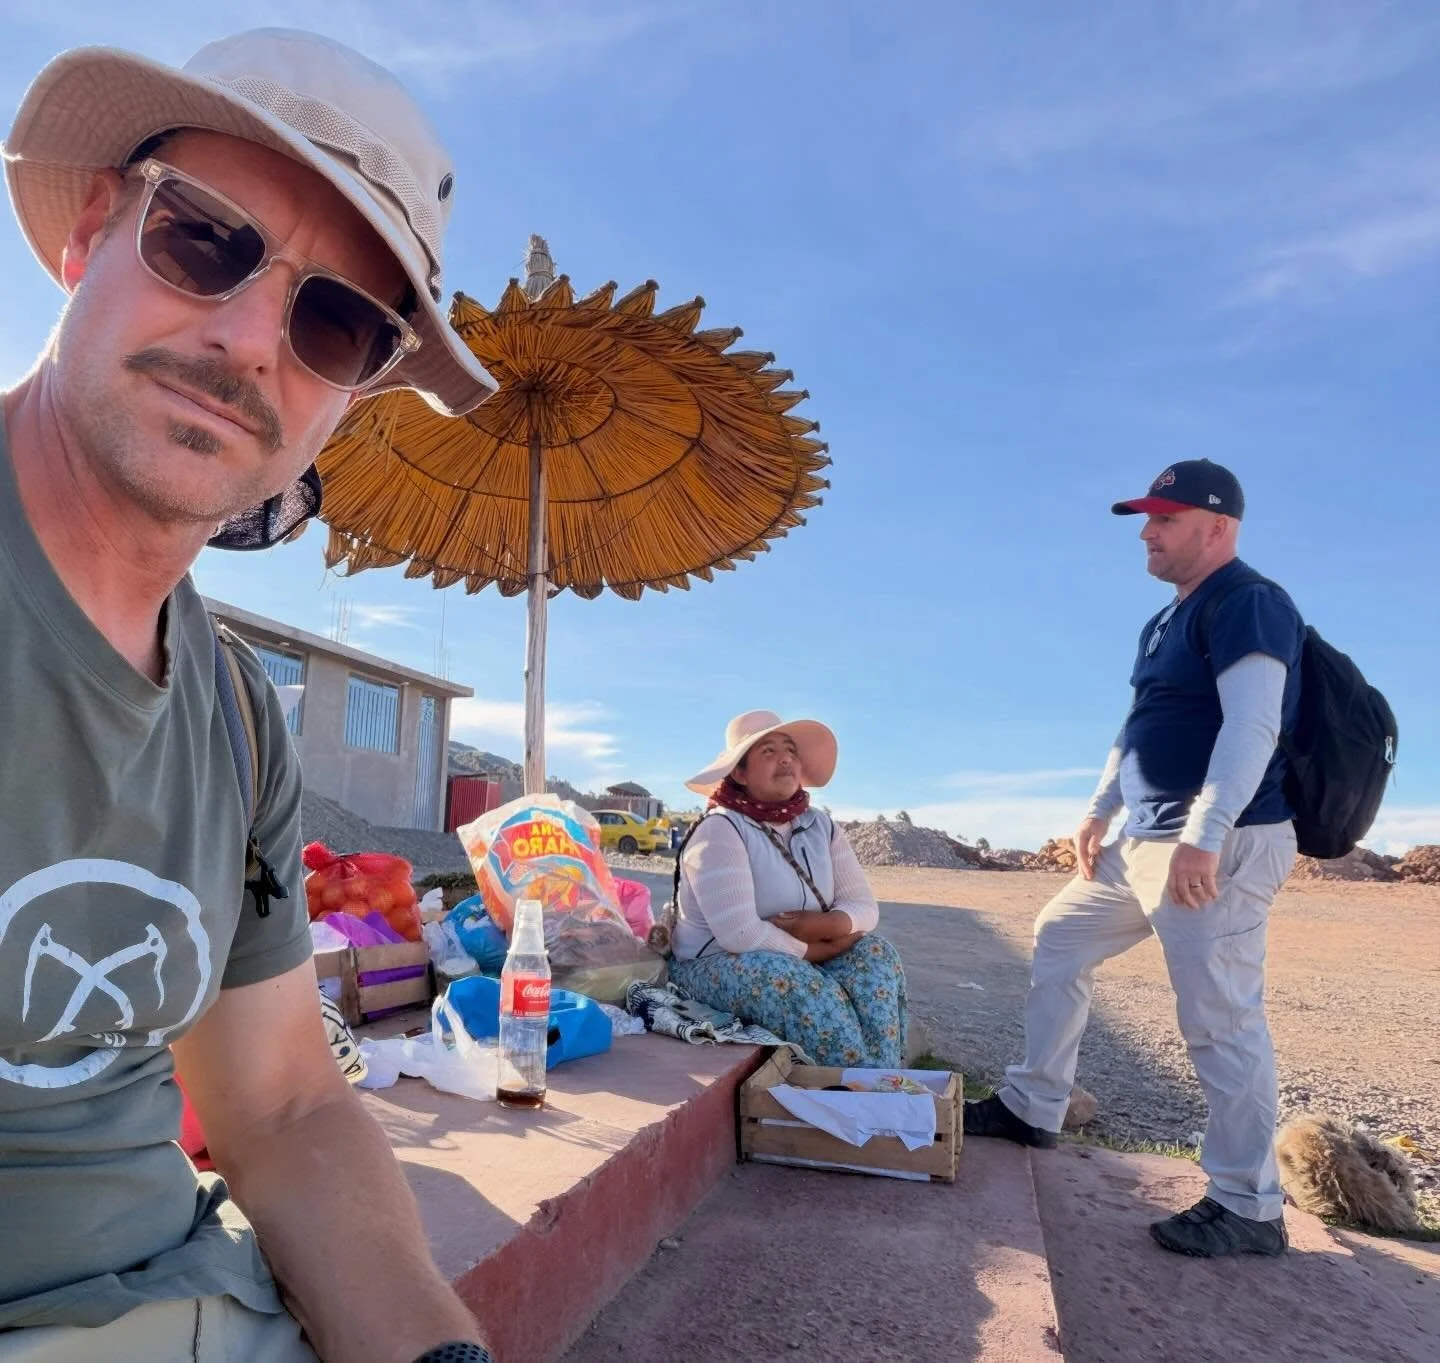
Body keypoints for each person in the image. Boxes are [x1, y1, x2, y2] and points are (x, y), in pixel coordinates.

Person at [0, 29, 500, 1362]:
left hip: (194, 1305)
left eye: (334, 319)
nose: (246, 337)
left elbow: (280, 1103)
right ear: (91, 227)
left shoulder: (231, 708)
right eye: (204, 241)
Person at [964, 460, 1304, 1259]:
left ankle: (1249, 1205)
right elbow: (1138, 725)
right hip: (1141, 843)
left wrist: (1206, 831)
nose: (1146, 532)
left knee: (1219, 1018)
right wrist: (1100, 806)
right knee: (1058, 937)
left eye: (1165, 518)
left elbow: (1251, 726)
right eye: (1145, 519)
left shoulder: (1249, 602)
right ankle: (1033, 1104)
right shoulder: (1164, 621)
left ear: (1217, 527)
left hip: (1216, 844)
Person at [670, 710, 907, 1067]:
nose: (785, 758)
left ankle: (881, 1077)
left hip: (806, 950)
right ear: (739, 772)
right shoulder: (720, 829)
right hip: (716, 964)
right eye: (767, 751)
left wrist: (827, 927)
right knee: (795, 984)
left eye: (791, 751)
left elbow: (863, 906)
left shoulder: (820, 826)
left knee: (875, 955)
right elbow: (740, 934)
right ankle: (856, 1092)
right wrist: (819, 951)